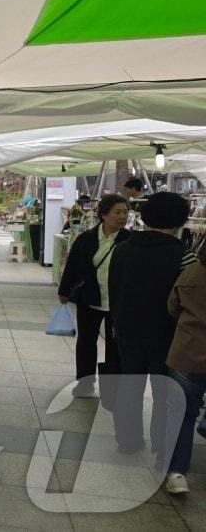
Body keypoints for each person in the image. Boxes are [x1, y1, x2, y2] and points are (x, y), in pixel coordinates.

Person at [108, 192, 197, 460]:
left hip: (127, 329)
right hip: (167, 333)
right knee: (164, 392)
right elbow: (187, 300)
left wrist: (116, 321)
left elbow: (114, 288)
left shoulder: (122, 249)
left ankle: (128, 440)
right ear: (180, 220)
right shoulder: (184, 255)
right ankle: (162, 444)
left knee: (129, 385)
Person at [57, 194, 130, 397]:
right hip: (90, 299)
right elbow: (72, 266)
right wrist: (64, 291)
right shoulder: (86, 239)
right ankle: (85, 383)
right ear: (104, 214)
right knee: (86, 343)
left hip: (118, 302)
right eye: (117, 212)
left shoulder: (130, 240)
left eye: (125, 212)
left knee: (116, 346)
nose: (122, 216)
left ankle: (113, 388)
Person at [163, 244, 206, 495]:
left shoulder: (190, 274)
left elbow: (173, 307)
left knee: (182, 413)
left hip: (188, 352)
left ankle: (177, 473)